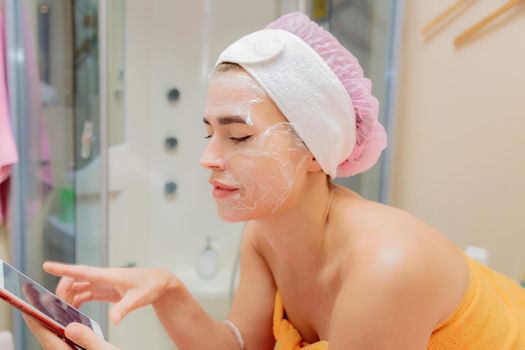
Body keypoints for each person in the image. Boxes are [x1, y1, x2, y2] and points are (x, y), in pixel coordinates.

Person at [26, 12, 525, 350]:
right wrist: (170, 292)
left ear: (314, 149)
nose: (207, 158)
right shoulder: (265, 233)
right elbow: (244, 346)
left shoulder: (386, 270)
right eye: (209, 133)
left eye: (238, 136)